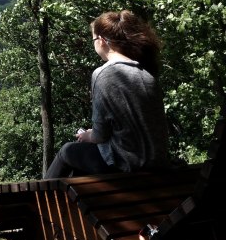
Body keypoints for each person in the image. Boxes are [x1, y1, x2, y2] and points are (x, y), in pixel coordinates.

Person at [44, 10, 170, 178]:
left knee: (68, 151)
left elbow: (100, 134)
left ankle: (39, 198)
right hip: (157, 164)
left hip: (128, 166)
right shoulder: (146, 74)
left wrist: (89, 135)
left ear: (102, 41)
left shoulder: (104, 74)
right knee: (81, 162)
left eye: (93, 39)